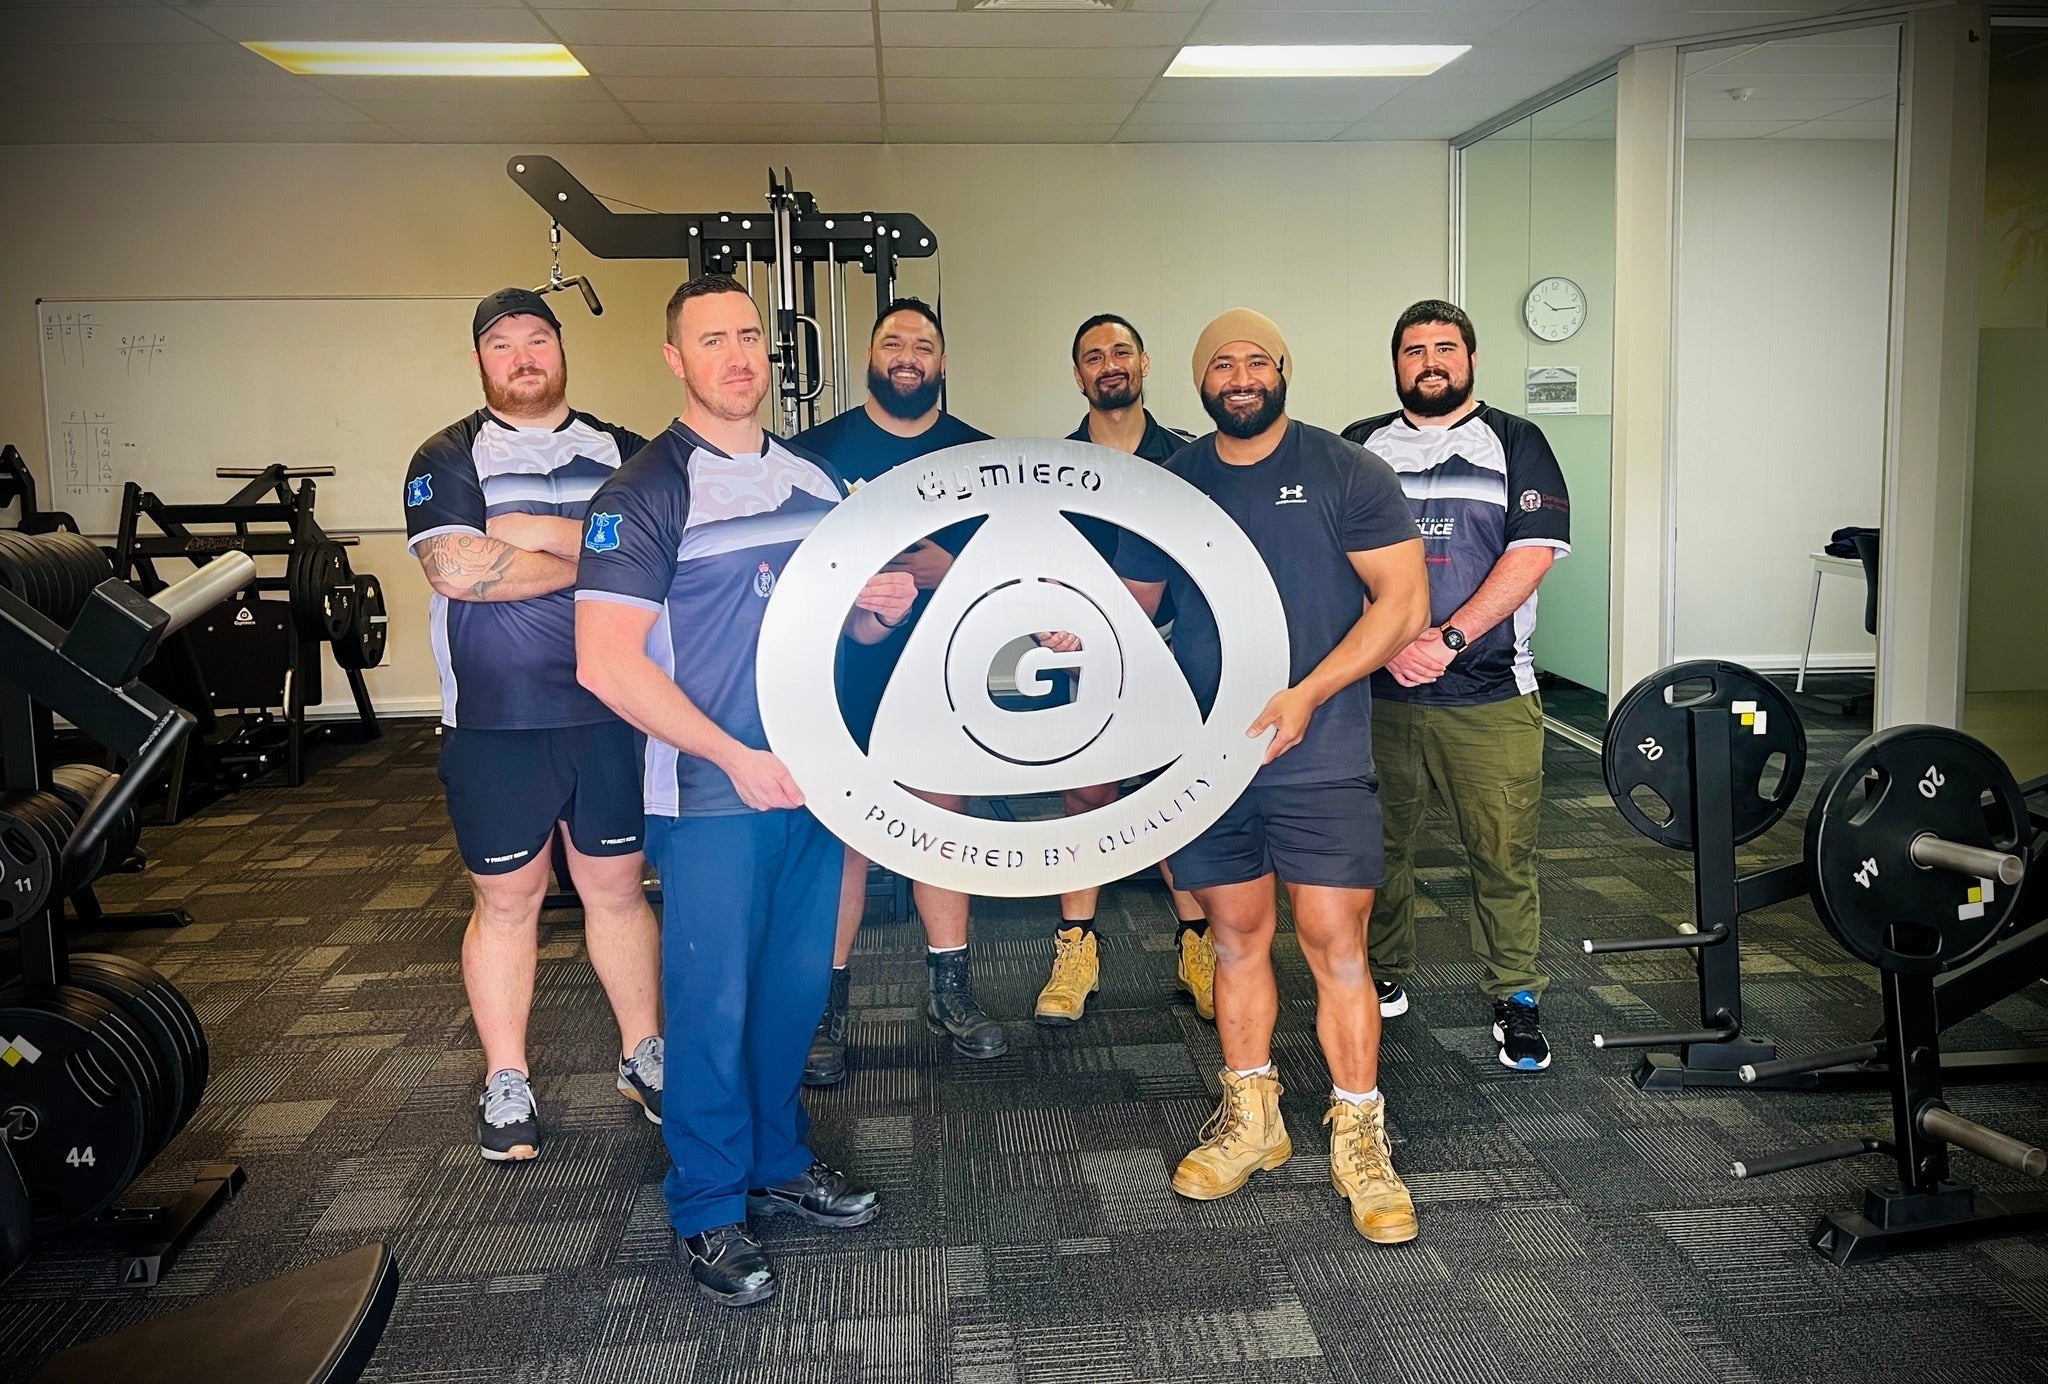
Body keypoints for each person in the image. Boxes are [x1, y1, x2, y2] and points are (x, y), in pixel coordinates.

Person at [574, 274, 917, 1307]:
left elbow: (834, 629)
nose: (735, 356)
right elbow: (606, 662)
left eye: (749, 338)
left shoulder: (812, 483)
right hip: (713, 791)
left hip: (813, 782)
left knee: (791, 992)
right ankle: (708, 1205)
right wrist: (729, 753)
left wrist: (871, 609)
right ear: (674, 360)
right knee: (712, 1007)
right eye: (709, 339)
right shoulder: (642, 493)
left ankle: (774, 1156)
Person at [1113, 309, 1430, 1243]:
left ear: (1284, 370)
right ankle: (1254, 1120)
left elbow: (1403, 604)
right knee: (1235, 940)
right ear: (1199, 380)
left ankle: (1361, 1139)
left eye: (1258, 360)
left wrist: (1308, 693)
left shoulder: (1345, 471)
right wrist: (1063, 631)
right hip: (1212, 761)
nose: (1240, 375)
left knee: (1336, 944)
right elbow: (1130, 612)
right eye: (1222, 363)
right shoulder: (1172, 484)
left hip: (1320, 752)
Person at [402, 287, 662, 1164]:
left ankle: (643, 1055)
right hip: (497, 721)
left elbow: (657, 563)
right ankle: (506, 1078)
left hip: (612, 708)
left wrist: (524, 538)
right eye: (503, 344)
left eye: (538, 340)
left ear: (561, 350)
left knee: (618, 891)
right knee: (507, 901)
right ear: (481, 360)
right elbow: (457, 568)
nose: (523, 357)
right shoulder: (446, 453)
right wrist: (591, 549)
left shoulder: (625, 449)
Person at [1343, 300, 1571, 1072]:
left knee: (1503, 854)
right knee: (1376, 851)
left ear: (1470, 359)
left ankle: (1517, 997)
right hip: (1379, 696)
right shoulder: (1359, 446)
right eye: (1414, 349)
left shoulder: (1518, 441)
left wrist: (1444, 641)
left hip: (1489, 693)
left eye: (1446, 347)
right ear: (1397, 362)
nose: (1430, 360)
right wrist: (1387, 648)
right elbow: (1333, 559)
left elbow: (1531, 555)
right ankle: (1384, 974)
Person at [790, 299, 1004, 1087]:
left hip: (944, 676)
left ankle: (950, 993)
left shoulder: (985, 459)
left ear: (943, 362)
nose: (908, 354)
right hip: (842, 672)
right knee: (843, 835)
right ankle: (824, 1008)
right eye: (893, 343)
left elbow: (1012, 578)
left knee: (941, 821)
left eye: (924, 344)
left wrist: (946, 572)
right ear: (870, 357)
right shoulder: (813, 455)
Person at [1033, 313, 1214, 1027]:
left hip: (1172, 655)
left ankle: (1197, 947)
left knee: (1176, 805)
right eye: (1092, 356)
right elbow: (1032, 564)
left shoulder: (1193, 459)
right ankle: (1076, 952)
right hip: (1082, 658)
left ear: (1144, 365)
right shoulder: (1045, 470)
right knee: (1086, 797)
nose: (1108, 365)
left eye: (1121, 352)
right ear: (1078, 376)